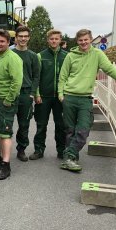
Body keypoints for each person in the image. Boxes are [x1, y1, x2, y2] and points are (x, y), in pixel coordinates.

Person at [58, 29, 116, 172]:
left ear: (91, 40)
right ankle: (71, 158)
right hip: (69, 97)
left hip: (85, 98)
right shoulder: (70, 56)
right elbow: (63, 76)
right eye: (80, 40)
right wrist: (61, 94)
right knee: (70, 130)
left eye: (86, 39)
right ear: (77, 41)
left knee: (83, 129)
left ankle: (68, 155)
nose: (83, 42)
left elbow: (109, 69)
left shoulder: (97, 54)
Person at [0, 30, 23, 180]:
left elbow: (17, 81)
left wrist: (8, 99)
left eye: (2, 41)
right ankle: (1, 160)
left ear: (9, 42)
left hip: (5, 101)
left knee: (6, 133)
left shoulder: (13, 58)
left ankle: (6, 166)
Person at [29, 29, 68, 160]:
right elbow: (36, 76)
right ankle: (39, 149)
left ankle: (61, 150)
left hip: (60, 97)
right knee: (41, 125)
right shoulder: (41, 55)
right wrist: (37, 94)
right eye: (51, 39)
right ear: (48, 40)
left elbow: (69, 76)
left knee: (61, 125)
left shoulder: (67, 56)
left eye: (56, 39)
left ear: (60, 40)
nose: (54, 41)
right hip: (43, 97)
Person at [10, 26, 40, 162]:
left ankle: (21, 150)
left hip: (26, 94)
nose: (23, 39)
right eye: (20, 36)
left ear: (28, 38)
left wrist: (32, 93)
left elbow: (36, 77)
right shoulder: (9, 54)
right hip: (10, 93)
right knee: (5, 123)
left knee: (24, 125)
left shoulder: (33, 56)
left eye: (25, 36)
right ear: (16, 37)